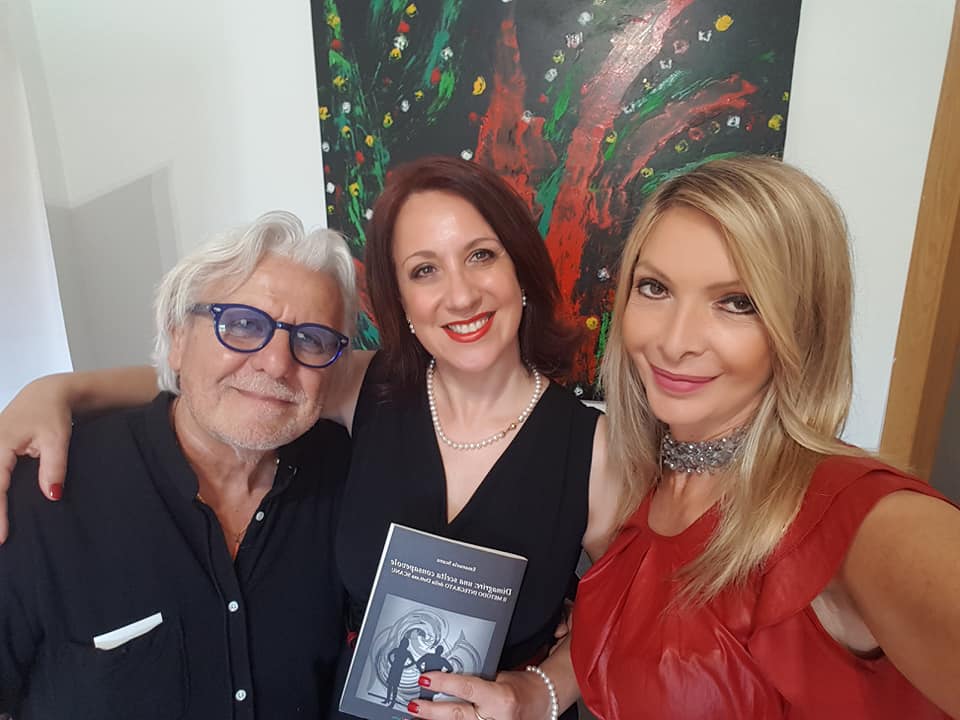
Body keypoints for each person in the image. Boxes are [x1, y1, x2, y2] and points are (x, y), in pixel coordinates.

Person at [0, 157, 620, 720]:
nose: (459, 294)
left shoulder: (596, 451)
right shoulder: (369, 389)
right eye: (425, 269)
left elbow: (629, 615)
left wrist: (540, 693)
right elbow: (238, 386)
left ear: (520, 269)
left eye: (481, 255)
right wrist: (60, 390)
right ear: (402, 300)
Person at [569, 156, 960, 719]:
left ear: (801, 325)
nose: (674, 341)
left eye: (737, 302)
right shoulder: (646, 484)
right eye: (654, 288)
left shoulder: (859, 515)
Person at [0, 211, 356, 718]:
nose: (277, 362)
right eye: (242, 325)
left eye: (311, 339)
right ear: (178, 338)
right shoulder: (42, 494)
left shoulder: (344, 478)